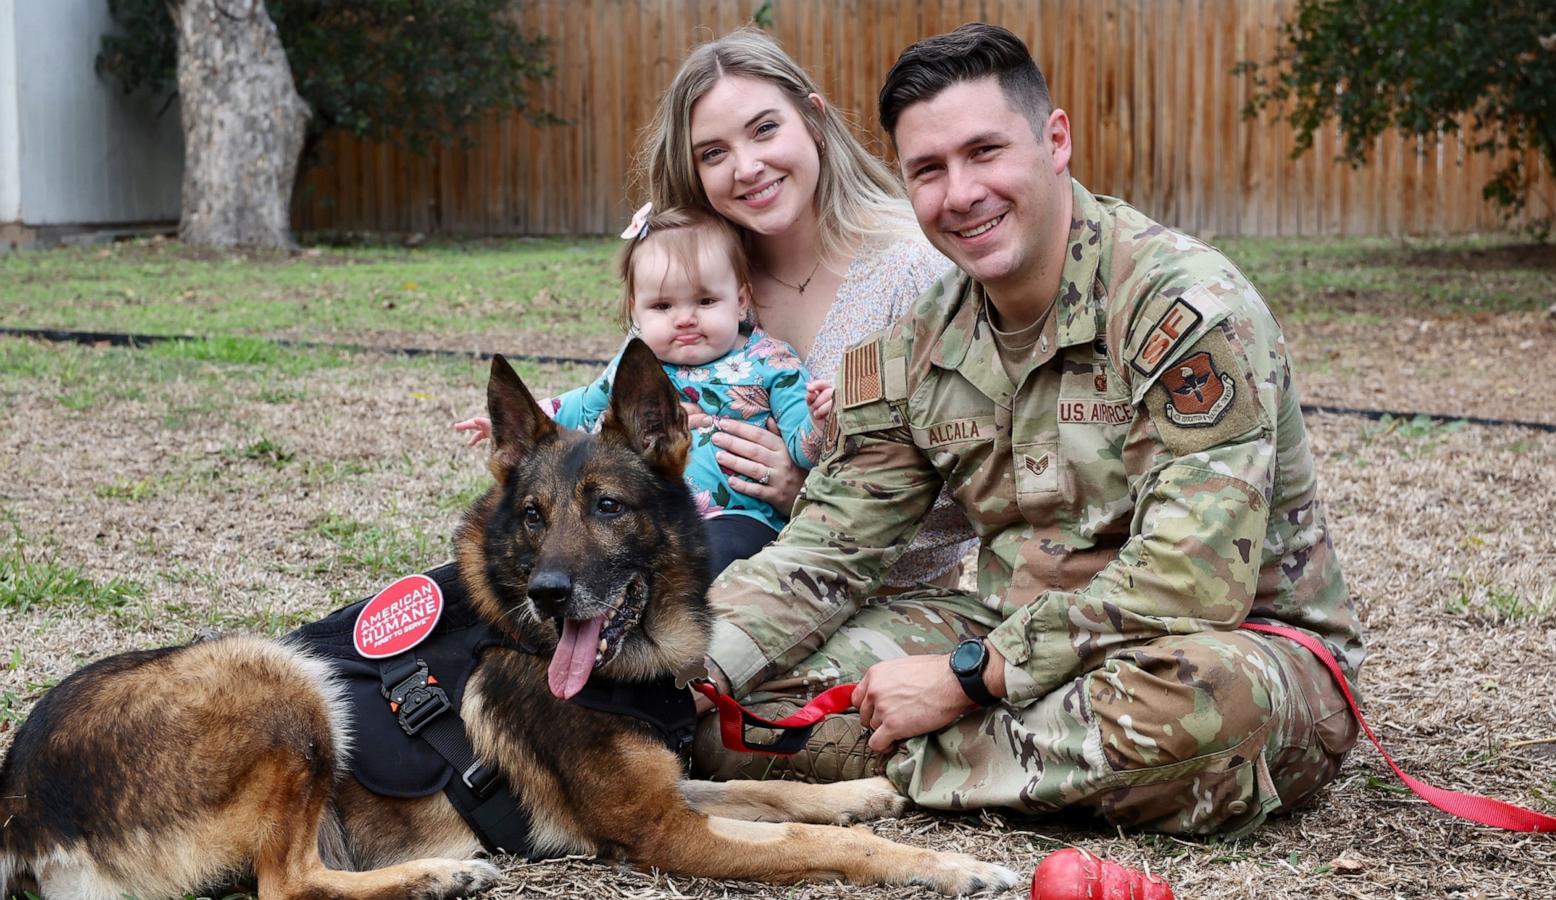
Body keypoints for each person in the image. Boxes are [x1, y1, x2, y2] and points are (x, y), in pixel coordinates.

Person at [694, 23, 1365, 839]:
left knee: (1204, 708)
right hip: (1015, 633)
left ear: (1056, 140)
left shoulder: (1183, 309)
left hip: (1219, 647)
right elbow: (824, 548)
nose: (962, 192)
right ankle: (1029, 766)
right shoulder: (912, 346)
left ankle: (897, 770)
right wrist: (681, 669)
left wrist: (964, 680)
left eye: (985, 152)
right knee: (737, 714)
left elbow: (1190, 581)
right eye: (929, 171)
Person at [639, 27, 978, 600]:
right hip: (682, 554)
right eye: (714, 153)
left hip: (877, 601)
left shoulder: (915, 270)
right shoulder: (691, 280)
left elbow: (968, 489)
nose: (746, 167)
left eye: (765, 129)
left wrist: (808, 492)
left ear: (814, 122)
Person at [457, 206, 824, 575]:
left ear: (741, 300)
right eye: (663, 306)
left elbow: (800, 443)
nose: (685, 318)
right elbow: (584, 404)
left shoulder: (772, 363)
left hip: (737, 514)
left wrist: (821, 423)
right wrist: (521, 421)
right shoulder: (635, 366)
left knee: (708, 563)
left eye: (706, 301)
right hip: (644, 515)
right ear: (637, 311)